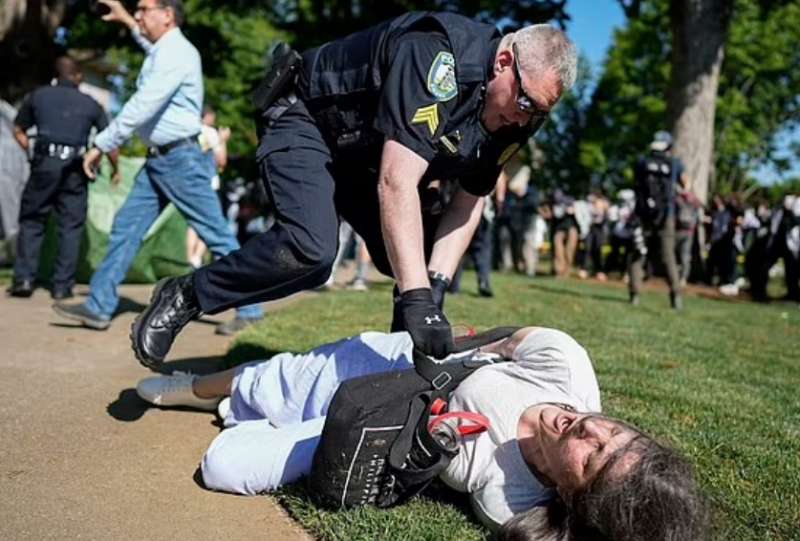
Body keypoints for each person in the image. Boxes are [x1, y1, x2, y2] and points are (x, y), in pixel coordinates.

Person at [128, 14, 578, 369]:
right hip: (308, 120)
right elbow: (396, 181)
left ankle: (399, 368)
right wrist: (417, 297)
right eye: (525, 104)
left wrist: (432, 289)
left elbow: (471, 197)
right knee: (311, 252)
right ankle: (186, 294)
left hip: (365, 154)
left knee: (421, 266)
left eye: (539, 113)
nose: (525, 120)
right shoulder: (438, 55)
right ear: (504, 64)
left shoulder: (520, 113)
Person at [135, 325, 707, 539]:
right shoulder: (568, 367)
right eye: (616, 433)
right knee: (266, 381)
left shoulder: (516, 503)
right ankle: (194, 387)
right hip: (388, 368)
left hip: (369, 434)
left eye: (593, 459)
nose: (590, 428)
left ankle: (243, 415)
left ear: (569, 494)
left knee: (225, 468)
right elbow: (502, 337)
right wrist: (442, 346)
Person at [51, 0, 263, 333]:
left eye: (143, 8)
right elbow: (150, 45)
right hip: (160, 161)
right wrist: (125, 21)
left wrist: (103, 143)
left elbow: (142, 105)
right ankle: (98, 306)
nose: (138, 14)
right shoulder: (166, 50)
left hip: (181, 160)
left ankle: (251, 311)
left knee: (217, 235)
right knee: (126, 228)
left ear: (167, 15)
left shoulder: (178, 53)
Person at [7, 56, 112, 300]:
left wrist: (31, 154)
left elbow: (19, 130)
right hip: (76, 168)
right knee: (70, 226)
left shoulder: (38, 96)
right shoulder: (91, 103)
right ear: (77, 76)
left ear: (56, 75)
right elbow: (109, 141)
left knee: (33, 220)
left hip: (44, 164)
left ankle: (23, 279)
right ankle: (62, 286)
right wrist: (113, 168)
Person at [629, 131, 684, 309]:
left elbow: (637, 186)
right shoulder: (675, 164)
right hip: (665, 216)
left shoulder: (641, 162)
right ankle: (676, 296)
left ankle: (634, 294)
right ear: (668, 147)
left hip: (642, 215)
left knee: (638, 253)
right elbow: (685, 184)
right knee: (668, 257)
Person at [186, 105, 231, 270]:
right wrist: (223, 141)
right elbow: (221, 161)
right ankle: (197, 258)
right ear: (208, 116)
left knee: (193, 224)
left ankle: (190, 258)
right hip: (209, 184)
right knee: (211, 221)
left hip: (190, 182)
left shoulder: (190, 131)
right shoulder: (211, 133)